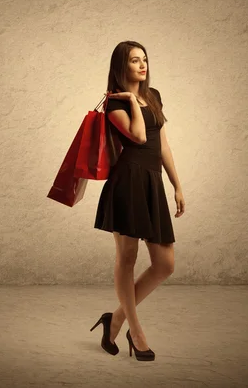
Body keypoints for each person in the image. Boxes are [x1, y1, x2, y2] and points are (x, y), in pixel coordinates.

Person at [90, 41, 186, 361]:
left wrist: (176, 185)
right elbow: (140, 137)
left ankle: (115, 319)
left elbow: (161, 144)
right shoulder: (114, 105)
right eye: (134, 61)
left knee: (165, 264)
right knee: (127, 259)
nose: (142, 65)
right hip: (127, 183)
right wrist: (131, 100)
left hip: (152, 183)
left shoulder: (154, 95)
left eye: (144, 59)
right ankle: (137, 331)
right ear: (122, 66)